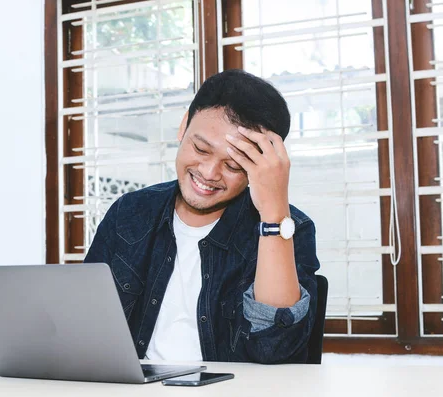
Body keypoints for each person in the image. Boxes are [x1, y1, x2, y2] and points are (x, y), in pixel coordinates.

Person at [84, 69, 320, 364]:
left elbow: (275, 351)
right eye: (200, 148)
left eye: (233, 166)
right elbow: (84, 328)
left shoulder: (290, 229)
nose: (209, 174)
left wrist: (274, 214)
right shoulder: (130, 213)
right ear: (184, 126)